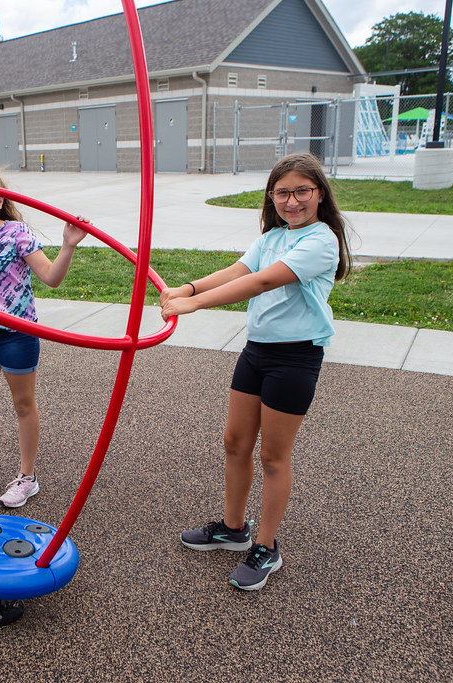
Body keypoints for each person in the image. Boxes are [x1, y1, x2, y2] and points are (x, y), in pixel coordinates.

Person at [160, 153, 351, 590]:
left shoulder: (321, 241)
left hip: (295, 357)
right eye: (282, 193)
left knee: (272, 456)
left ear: (320, 194)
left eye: (302, 191)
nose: (292, 201)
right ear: (271, 196)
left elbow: (263, 281)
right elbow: (239, 270)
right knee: (235, 442)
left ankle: (267, 546)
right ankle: (233, 529)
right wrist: (187, 287)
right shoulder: (273, 237)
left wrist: (194, 304)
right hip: (256, 351)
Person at [0, 167, 88, 508]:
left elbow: (51, 278)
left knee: (23, 404)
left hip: (19, 334)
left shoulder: (15, 233)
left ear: (1, 200)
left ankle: (27, 477)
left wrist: (68, 246)